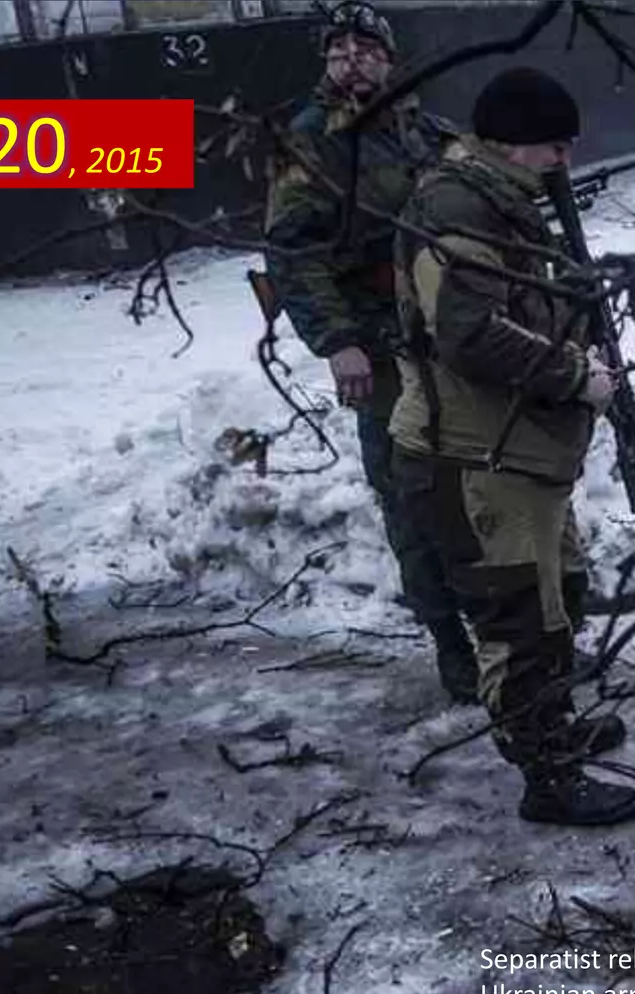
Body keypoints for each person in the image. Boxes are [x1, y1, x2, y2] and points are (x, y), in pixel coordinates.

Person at [388, 67, 635, 827]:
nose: (563, 162)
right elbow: (469, 335)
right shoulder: (458, 212)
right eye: (554, 148)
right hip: (472, 457)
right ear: (509, 142)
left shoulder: (505, 203)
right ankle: (546, 776)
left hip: (518, 451)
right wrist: (573, 375)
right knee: (518, 624)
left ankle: (553, 728)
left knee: (555, 599)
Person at [261, 0, 478, 704]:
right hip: (381, 353)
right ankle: (453, 646)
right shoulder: (312, 141)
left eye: (365, 47)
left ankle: (508, 632)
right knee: (411, 497)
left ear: (390, 58)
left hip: (451, 339)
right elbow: (294, 254)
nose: (352, 59)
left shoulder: (429, 133)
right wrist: (339, 343)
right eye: (338, 50)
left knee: (479, 483)